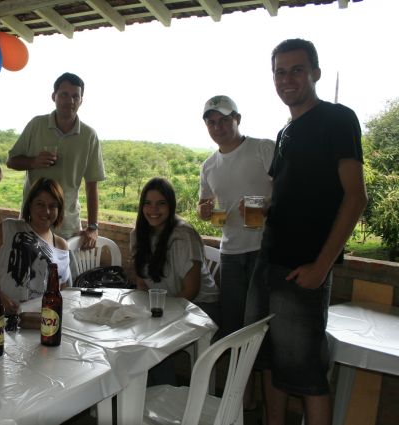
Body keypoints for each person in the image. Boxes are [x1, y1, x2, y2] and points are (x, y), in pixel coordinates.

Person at [244, 39, 367, 425]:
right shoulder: (285, 132)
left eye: (296, 70)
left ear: (315, 72)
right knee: (268, 360)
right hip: (268, 262)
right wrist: (265, 207)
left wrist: (321, 267)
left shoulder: (337, 119)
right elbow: (287, 194)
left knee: (308, 373)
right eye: (279, 72)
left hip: (304, 269)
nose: (287, 79)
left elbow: (356, 197)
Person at [197, 95, 274, 339]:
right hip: (229, 252)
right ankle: (235, 365)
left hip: (264, 250)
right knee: (231, 322)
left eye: (224, 120)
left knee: (259, 321)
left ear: (237, 119)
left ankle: (259, 364)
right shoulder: (209, 165)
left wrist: (265, 205)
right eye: (211, 122)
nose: (217, 127)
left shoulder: (263, 148)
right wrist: (204, 212)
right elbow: (204, 205)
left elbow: (288, 189)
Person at [6, 72, 105, 250]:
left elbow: (92, 186)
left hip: (67, 224)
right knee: (25, 266)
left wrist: (92, 227)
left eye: (75, 96)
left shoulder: (89, 136)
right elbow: (11, 161)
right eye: (64, 94)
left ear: (81, 100)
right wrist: (33, 162)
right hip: (32, 220)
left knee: (63, 268)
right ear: (54, 96)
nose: (70, 101)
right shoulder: (37, 125)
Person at [0, 177, 71, 314]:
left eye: (52, 206)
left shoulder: (61, 245)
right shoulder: (8, 228)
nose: (46, 211)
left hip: (38, 317)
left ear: (59, 210)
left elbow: (62, 291)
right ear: (30, 205)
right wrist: (0, 298)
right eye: (40, 204)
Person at [131, 177, 219, 321]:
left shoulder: (183, 235)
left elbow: (191, 290)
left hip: (199, 307)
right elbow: (141, 284)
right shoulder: (137, 235)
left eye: (161, 203)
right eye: (148, 203)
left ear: (171, 205)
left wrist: (162, 313)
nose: (153, 209)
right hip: (164, 306)